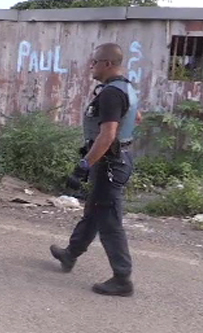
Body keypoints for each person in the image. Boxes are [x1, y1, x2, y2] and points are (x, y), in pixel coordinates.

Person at [49, 43, 138, 297]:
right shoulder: (126, 88)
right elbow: (135, 118)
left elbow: (108, 134)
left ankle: (122, 279)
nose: (91, 66)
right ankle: (70, 254)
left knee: (109, 220)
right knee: (95, 211)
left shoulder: (111, 93)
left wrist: (84, 165)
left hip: (111, 163)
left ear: (107, 64)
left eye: (94, 62)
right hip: (118, 158)